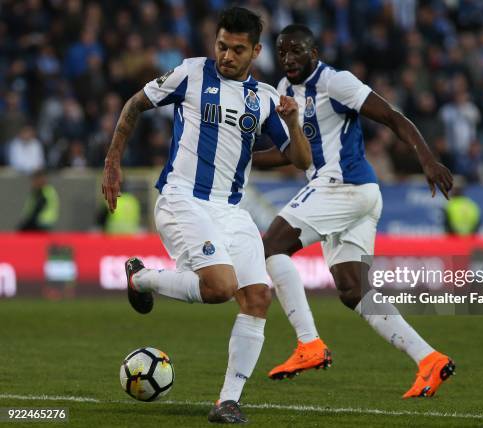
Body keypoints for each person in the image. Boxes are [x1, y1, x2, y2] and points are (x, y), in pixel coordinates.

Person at [101, 8, 311, 424]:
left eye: (237, 49)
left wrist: (293, 121)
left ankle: (227, 401)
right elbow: (135, 105)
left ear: (255, 51)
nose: (226, 56)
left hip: (232, 209)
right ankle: (140, 278)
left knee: (257, 297)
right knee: (220, 287)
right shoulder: (190, 74)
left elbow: (299, 159)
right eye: (221, 46)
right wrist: (112, 161)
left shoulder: (266, 99)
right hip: (183, 198)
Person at [253, 24, 455, 398]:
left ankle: (308, 343)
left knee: (271, 247)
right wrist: (240, 160)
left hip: (343, 186)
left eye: (297, 51)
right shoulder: (283, 92)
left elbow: (393, 117)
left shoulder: (336, 82)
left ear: (314, 52)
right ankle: (429, 359)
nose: (289, 59)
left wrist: (426, 159)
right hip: (352, 194)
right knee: (352, 289)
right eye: (282, 53)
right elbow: (290, 154)